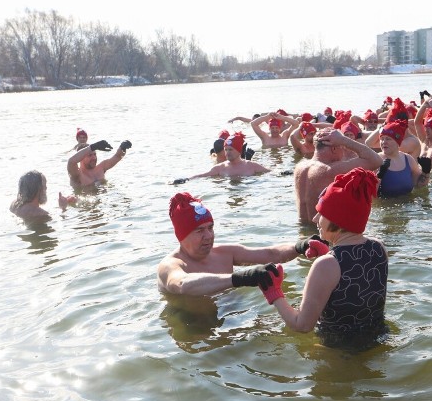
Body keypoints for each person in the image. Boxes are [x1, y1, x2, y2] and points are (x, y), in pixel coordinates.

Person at [257, 168, 388, 350]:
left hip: (339, 353)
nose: (315, 218)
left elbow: (302, 325)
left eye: (322, 213)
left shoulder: (326, 265)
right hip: (378, 340)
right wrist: (329, 253)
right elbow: (354, 279)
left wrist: (274, 293)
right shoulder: (379, 247)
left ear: (338, 220)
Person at [157, 192, 329, 296]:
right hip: (194, 329)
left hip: (231, 314)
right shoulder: (170, 265)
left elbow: (270, 254)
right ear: (181, 236)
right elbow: (181, 284)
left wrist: (301, 245)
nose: (209, 236)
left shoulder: (224, 252)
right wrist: (242, 278)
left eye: (210, 228)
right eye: (199, 231)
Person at [294, 128, 383, 225]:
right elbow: (376, 161)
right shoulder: (331, 169)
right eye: (343, 147)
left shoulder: (300, 166)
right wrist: (344, 140)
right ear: (334, 148)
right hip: (324, 234)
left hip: (303, 233)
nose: (345, 151)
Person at [172, 132, 269, 183]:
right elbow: (203, 175)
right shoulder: (220, 168)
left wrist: (282, 173)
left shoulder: (251, 166)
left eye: (230, 150)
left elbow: (270, 172)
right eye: (226, 150)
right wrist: (186, 179)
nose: (227, 153)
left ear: (239, 151)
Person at [377, 119, 428, 197]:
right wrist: (379, 176)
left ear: (398, 142)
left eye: (388, 139)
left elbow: (419, 186)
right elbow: (370, 196)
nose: (384, 142)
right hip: (386, 206)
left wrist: (426, 171)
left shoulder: (408, 159)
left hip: (409, 206)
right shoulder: (376, 160)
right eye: (382, 139)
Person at [10, 170, 75, 221]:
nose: (46, 188)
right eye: (44, 185)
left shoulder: (14, 204)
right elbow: (59, 225)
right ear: (39, 189)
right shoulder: (41, 214)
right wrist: (63, 208)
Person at [67, 139, 132, 187]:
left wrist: (123, 147)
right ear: (80, 158)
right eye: (90, 155)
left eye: (94, 154)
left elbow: (117, 157)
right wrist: (93, 147)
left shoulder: (101, 168)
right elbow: (71, 162)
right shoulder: (77, 176)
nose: (94, 158)